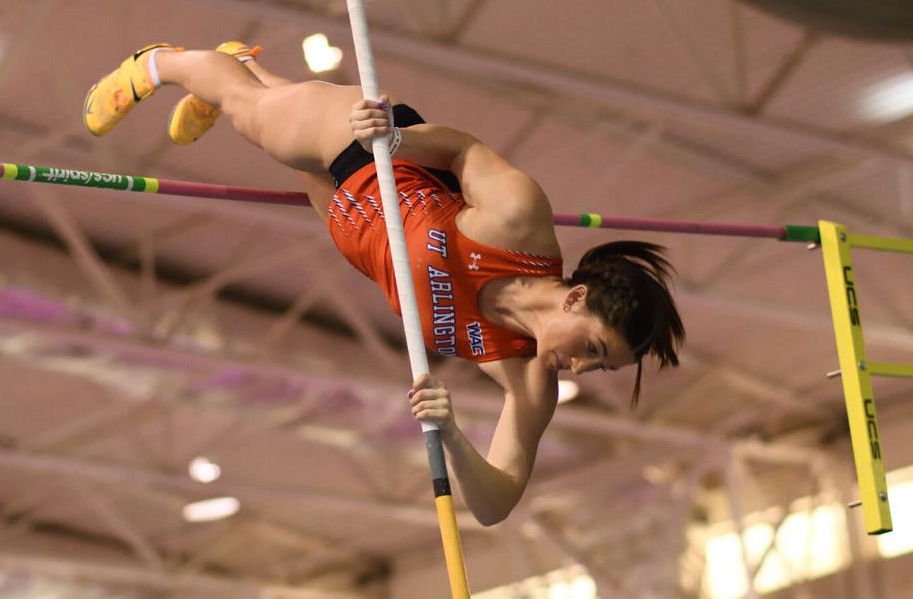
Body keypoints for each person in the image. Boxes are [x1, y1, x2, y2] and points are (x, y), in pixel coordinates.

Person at [83, 42, 685, 526]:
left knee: (264, 109)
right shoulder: (520, 222)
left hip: (352, 227)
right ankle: (160, 63)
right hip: (366, 153)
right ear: (577, 297)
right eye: (593, 348)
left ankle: (236, 62)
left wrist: (452, 434)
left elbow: (496, 502)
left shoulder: (527, 379)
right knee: (248, 112)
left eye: (599, 368)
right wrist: (394, 138)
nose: (579, 368)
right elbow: (462, 149)